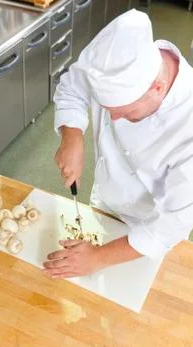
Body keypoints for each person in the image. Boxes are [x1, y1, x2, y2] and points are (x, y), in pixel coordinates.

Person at [43, 9, 193, 279]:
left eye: (124, 112)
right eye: (106, 108)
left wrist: (99, 257)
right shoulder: (110, 59)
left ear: (157, 88)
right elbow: (73, 88)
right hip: (106, 198)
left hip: (147, 225)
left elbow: (173, 224)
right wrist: (72, 136)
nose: (112, 120)